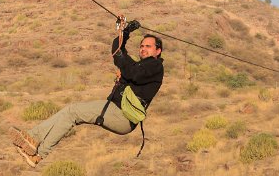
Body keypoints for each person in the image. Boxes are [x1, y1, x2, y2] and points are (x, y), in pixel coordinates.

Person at [10, 21, 164, 166]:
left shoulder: (155, 66)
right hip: (116, 110)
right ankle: (35, 146)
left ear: (158, 50)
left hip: (123, 115)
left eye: (148, 46)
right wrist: (125, 33)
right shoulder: (140, 65)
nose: (143, 48)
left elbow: (132, 72)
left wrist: (124, 39)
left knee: (73, 111)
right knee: (71, 112)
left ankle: (36, 145)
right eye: (142, 46)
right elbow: (118, 53)